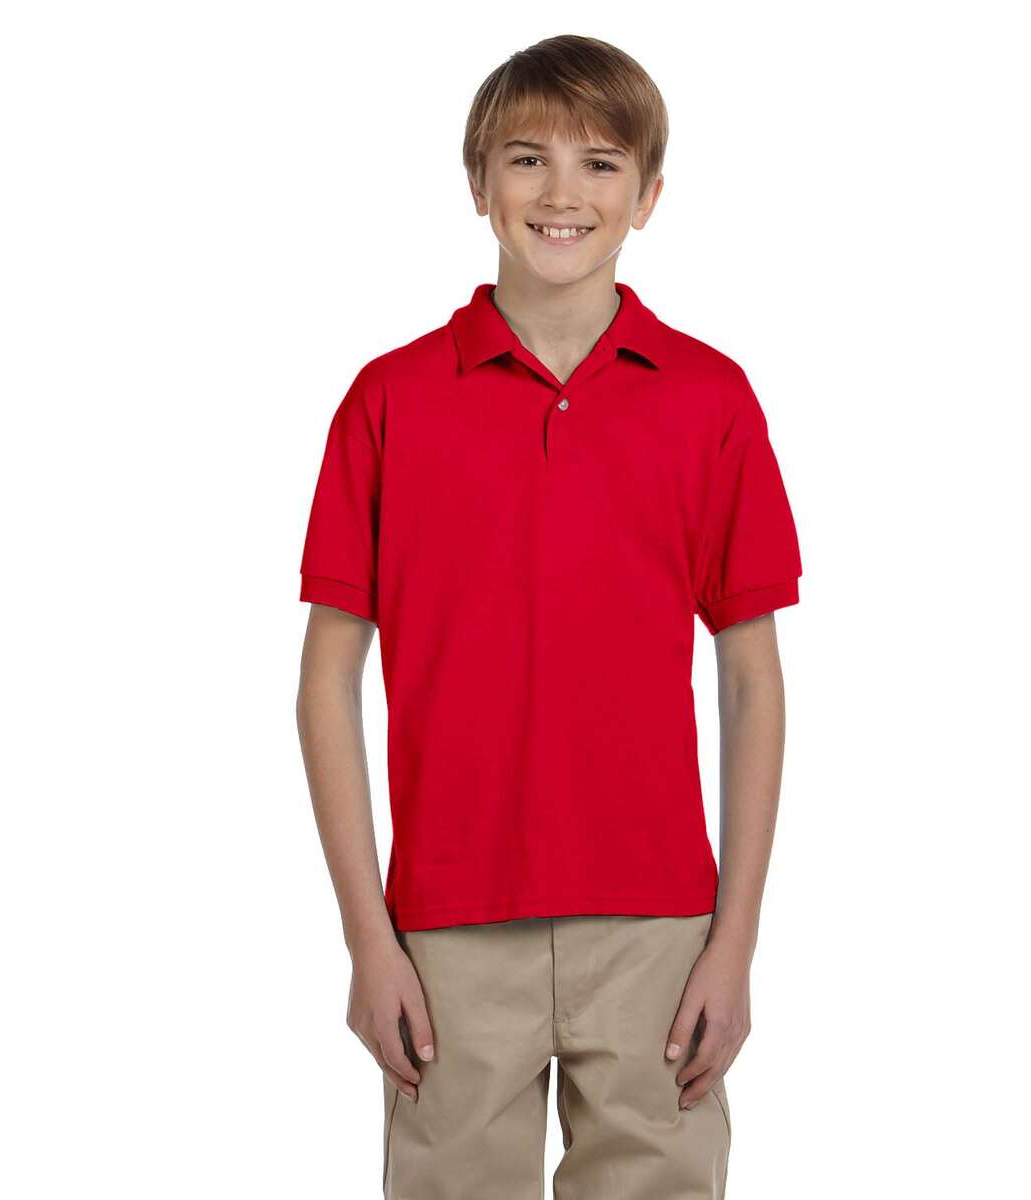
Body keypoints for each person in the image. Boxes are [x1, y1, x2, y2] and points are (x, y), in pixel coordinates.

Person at [295, 33, 803, 1199]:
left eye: (601, 163)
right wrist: (367, 937)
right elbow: (326, 682)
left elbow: (751, 680)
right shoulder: (389, 401)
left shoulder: (712, 401)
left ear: (649, 195)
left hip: (660, 922)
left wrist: (735, 939)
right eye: (528, 159)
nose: (562, 192)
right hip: (447, 920)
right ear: (478, 184)